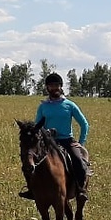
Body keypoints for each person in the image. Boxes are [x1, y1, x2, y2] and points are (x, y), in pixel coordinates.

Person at [18, 72, 90, 200]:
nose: (54, 88)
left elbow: (84, 124)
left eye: (56, 85)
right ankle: (31, 189)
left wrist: (81, 142)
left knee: (78, 161)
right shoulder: (43, 107)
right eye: (51, 86)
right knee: (29, 162)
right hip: (48, 142)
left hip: (67, 141)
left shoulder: (70, 105)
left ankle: (80, 189)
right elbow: (37, 127)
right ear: (47, 88)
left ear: (61, 87)